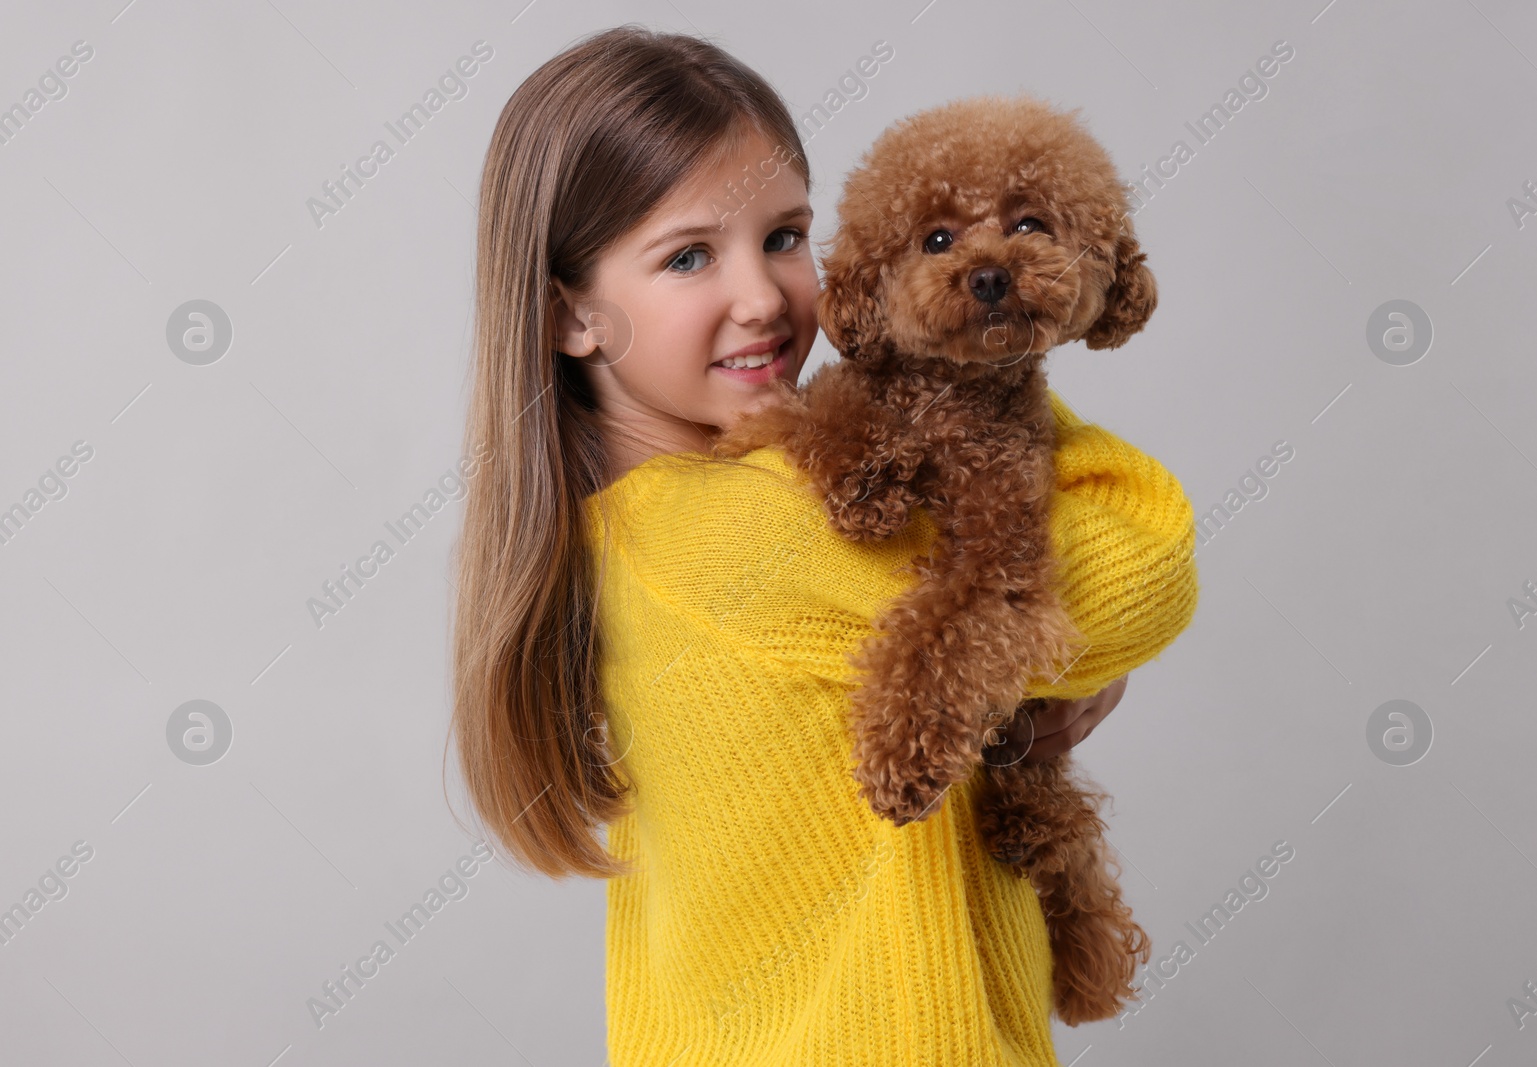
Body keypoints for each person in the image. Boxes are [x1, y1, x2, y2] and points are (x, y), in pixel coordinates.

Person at [448, 23, 1198, 1066]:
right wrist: (1055, 629)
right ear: (570, 314)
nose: (761, 298)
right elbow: (1146, 561)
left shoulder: (642, 526)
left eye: (784, 236)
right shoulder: (736, 530)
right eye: (688, 256)